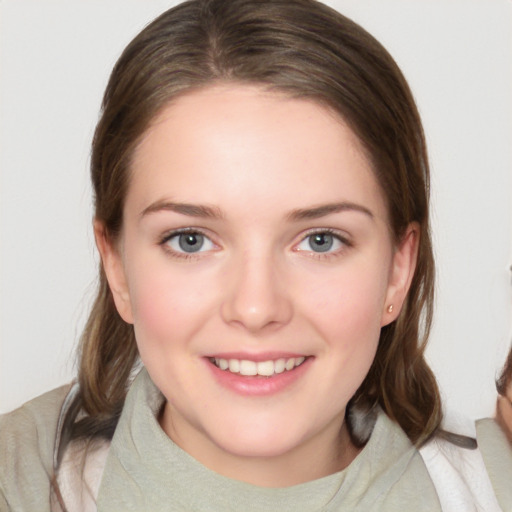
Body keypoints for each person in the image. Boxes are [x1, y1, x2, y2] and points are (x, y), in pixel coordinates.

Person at [0, 0, 510, 510]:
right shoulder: (16, 482)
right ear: (117, 268)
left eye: (320, 240)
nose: (256, 308)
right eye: (190, 240)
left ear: (398, 270)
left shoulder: (496, 483)